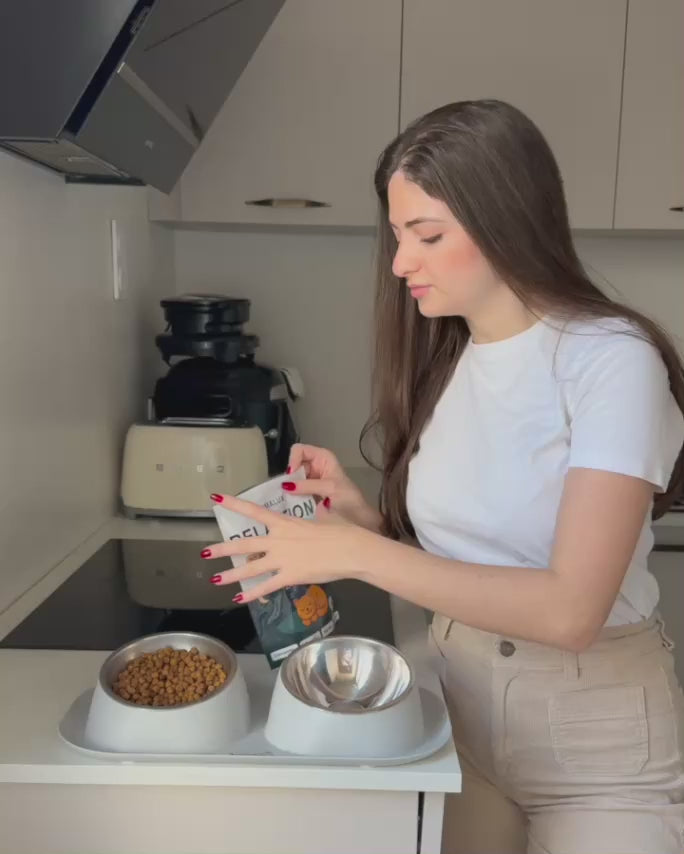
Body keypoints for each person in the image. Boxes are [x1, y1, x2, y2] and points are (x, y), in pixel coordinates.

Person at [203, 100, 684, 854]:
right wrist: (365, 522)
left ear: (507, 221)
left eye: (426, 236)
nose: (401, 264)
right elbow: (471, 562)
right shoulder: (450, 358)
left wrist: (358, 554)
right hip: (455, 712)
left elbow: (570, 611)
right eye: (398, 235)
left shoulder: (612, 360)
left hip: (594, 743)